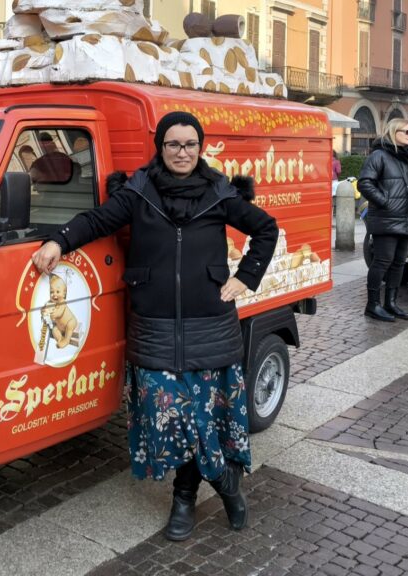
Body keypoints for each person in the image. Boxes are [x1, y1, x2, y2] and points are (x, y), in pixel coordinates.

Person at [31, 111, 278, 542]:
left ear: (200, 148)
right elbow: (96, 220)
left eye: (189, 144)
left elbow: (265, 229)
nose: (181, 152)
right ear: (160, 148)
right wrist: (59, 239)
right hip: (155, 327)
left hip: (209, 325)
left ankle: (188, 497)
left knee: (203, 420)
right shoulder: (138, 192)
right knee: (175, 419)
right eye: (172, 144)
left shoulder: (220, 192)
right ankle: (222, 485)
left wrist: (245, 278)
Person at [357, 118, 408, 322]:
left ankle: (391, 303)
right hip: (387, 218)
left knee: (399, 263)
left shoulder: (406, 160)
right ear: (393, 132)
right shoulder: (379, 155)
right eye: (406, 131)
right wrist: (385, 202)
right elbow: (364, 183)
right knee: (382, 262)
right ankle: (372, 305)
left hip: (406, 219)